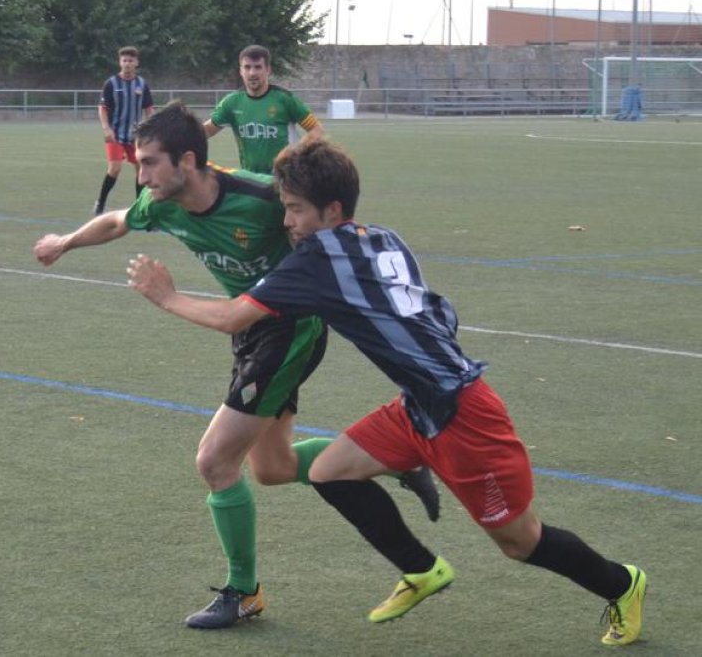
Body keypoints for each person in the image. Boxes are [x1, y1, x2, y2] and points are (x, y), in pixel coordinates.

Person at [126, 139, 647, 646]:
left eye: (296, 209)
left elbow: (233, 316)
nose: (286, 221)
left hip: (464, 416)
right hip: (418, 405)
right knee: (329, 470)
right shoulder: (382, 236)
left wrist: (166, 296)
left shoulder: (317, 260)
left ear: (332, 210)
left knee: (520, 541)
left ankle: (623, 584)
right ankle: (421, 570)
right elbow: (432, 309)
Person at [35, 102, 438, 630]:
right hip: (252, 332)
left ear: (187, 160)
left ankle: (244, 592)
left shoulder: (261, 197)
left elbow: (325, 221)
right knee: (272, 468)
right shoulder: (162, 203)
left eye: (150, 163)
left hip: (289, 331)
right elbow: (117, 221)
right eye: (138, 163)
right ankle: (399, 459)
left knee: (215, 461)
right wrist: (64, 242)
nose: (142, 176)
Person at [203, 45, 324, 174]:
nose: (252, 73)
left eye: (258, 67)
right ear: (241, 71)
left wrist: (297, 153)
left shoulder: (285, 99)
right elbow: (206, 130)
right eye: (247, 67)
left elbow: (316, 129)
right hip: (251, 179)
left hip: (283, 178)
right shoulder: (232, 102)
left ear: (268, 70)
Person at [94, 46, 153, 215]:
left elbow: (149, 108)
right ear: (120, 62)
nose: (127, 63)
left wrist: (149, 127)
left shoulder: (142, 84)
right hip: (115, 135)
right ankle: (101, 203)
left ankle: (139, 206)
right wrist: (106, 128)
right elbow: (102, 108)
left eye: (130, 60)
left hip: (135, 136)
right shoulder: (111, 83)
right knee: (114, 168)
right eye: (124, 60)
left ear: (136, 63)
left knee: (141, 170)